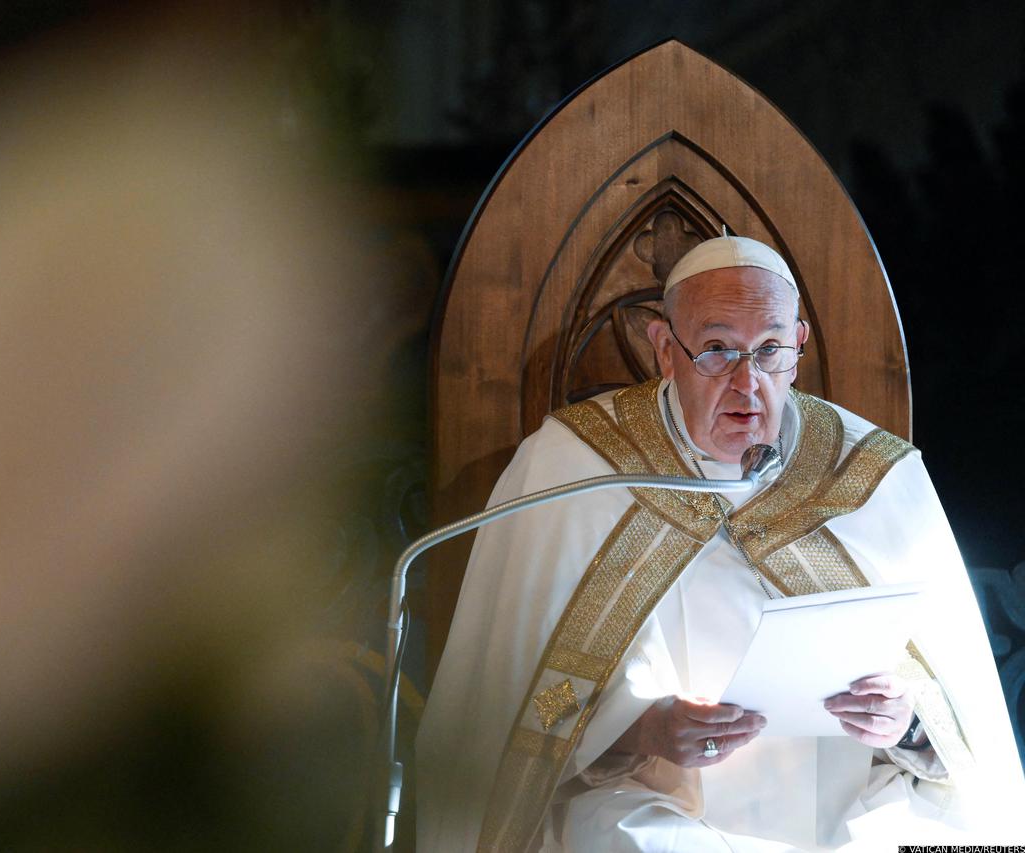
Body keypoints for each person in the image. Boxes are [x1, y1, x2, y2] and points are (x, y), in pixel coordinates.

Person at [416, 236, 1025, 851]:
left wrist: (906, 724)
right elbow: (506, 712)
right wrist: (643, 732)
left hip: (846, 812)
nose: (747, 382)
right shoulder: (578, 469)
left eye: (769, 350)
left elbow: (962, 724)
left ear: (800, 345)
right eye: (716, 350)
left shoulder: (872, 475)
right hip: (652, 805)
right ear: (663, 349)